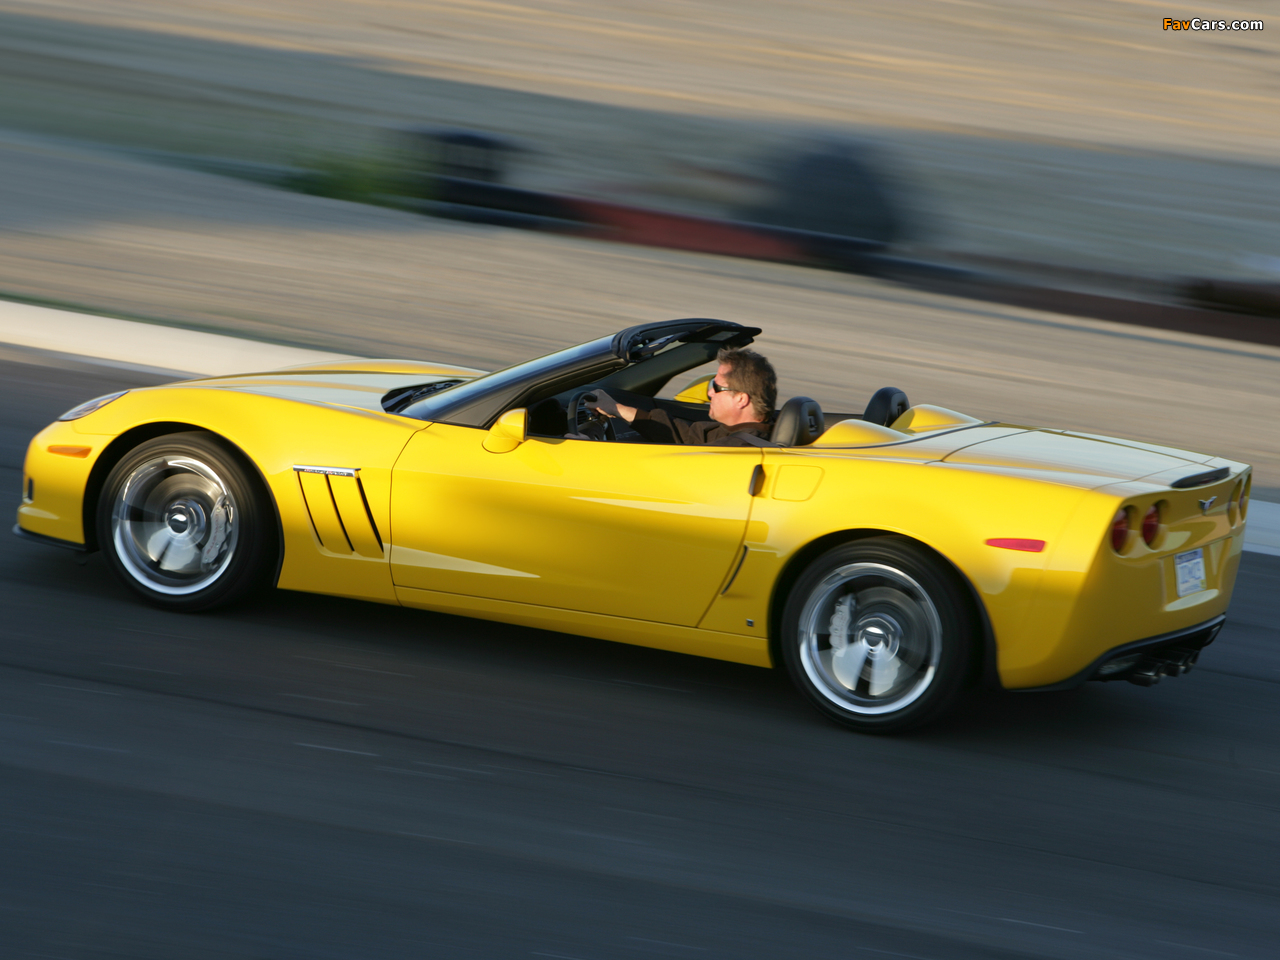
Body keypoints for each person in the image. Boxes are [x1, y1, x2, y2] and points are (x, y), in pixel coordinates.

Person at [586, 347, 777, 446]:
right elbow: (686, 435)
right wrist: (616, 409)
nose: (709, 392)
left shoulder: (734, 450)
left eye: (716, 387)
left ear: (741, 399)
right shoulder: (736, 432)